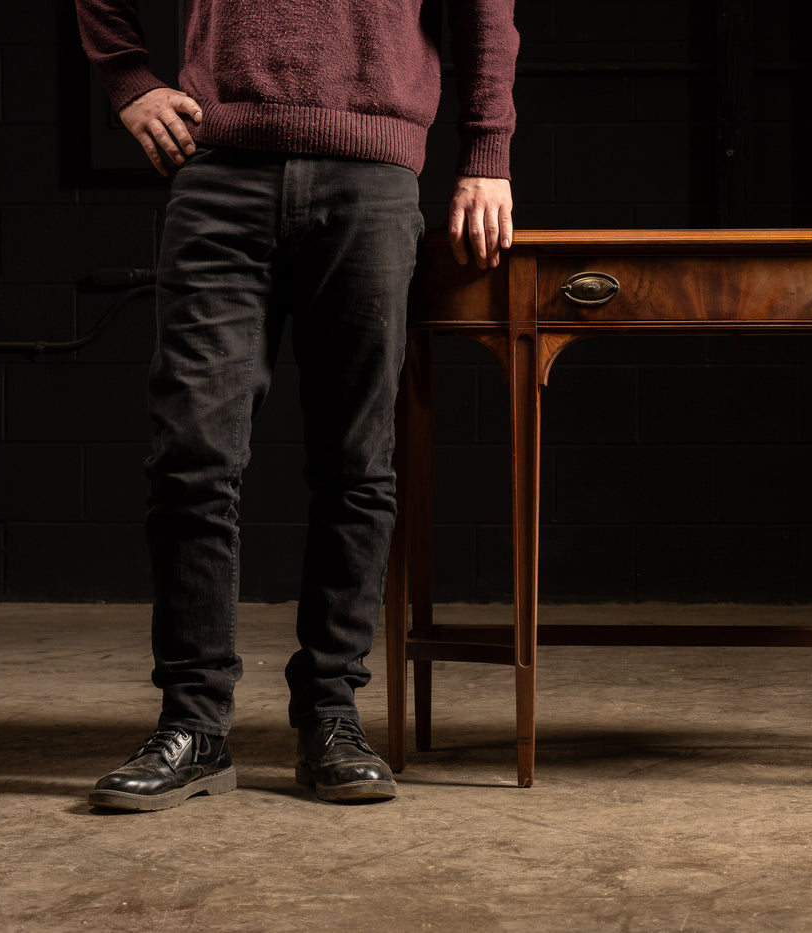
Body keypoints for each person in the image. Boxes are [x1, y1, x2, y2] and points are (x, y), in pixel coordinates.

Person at [74, 0, 518, 810]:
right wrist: (129, 79)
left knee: (356, 464)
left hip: (373, 176)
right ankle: (194, 723)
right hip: (222, 173)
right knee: (190, 458)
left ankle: (330, 715)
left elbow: (486, 7)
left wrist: (488, 148)